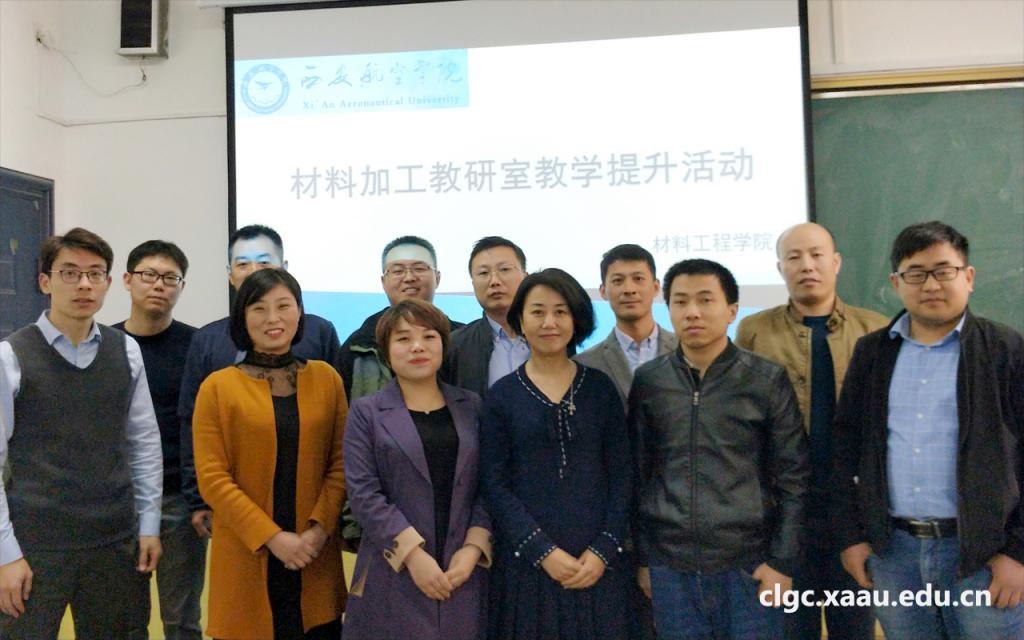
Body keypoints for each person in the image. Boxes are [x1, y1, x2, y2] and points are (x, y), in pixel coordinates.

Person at [832, 221, 1024, 639]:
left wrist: (1018, 553)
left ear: (968, 277)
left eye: (943, 271)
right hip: (893, 553)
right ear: (896, 283)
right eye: (916, 274)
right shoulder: (872, 353)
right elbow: (843, 450)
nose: (931, 285)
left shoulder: (1005, 349)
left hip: (984, 555)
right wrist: (851, 538)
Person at [629, 259, 808, 640]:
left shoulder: (765, 379)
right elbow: (640, 475)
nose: (692, 312)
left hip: (749, 565)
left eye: (705, 300)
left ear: (732, 310)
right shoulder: (649, 381)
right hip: (670, 566)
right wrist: (645, 558)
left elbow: (794, 477)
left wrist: (782, 562)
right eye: (680, 301)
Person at [0, 227, 162, 638]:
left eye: (95, 273)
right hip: (35, 544)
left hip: (113, 541)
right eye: (69, 273)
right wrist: (5, 555)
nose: (84, 284)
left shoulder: (125, 350)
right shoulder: (11, 356)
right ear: (45, 281)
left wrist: (149, 525)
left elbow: (144, 445)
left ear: (108, 282)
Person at [735, 223, 886, 640]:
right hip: (784, 518)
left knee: (854, 627)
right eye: (794, 257)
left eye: (817, 255)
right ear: (780, 268)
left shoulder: (875, 329)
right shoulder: (754, 330)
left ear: (836, 262)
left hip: (852, 517)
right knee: (788, 629)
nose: (807, 266)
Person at [193, 268, 346, 639]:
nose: (273, 318)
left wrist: (319, 530)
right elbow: (213, 478)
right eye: (259, 308)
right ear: (242, 318)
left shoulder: (327, 378)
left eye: (284, 306)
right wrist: (273, 538)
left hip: (313, 552)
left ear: (300, 312)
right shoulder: (218, 387)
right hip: (249, 550)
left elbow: (342, 463)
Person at [481, 268, 632, 640]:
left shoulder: (600, 388)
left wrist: (604, 549)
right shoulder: (501, 396)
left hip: (599, 565)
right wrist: (541, 551)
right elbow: (495, 485)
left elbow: (623, 474)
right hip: (528, 567)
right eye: (537, 312)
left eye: (561, 311)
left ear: (576, 319)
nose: (549, 322)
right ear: (520, 320)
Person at [178, 224, 339, 553]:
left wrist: (322, 524)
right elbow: (200, 444)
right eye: (243, 263)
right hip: (242, 529)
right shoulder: (213, 366)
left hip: (313, 531)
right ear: (230, 274)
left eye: (264, 262)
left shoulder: (324, 365)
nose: (272, 319)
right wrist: (199, 499)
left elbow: (340, 454)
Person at [343, 299, 492, 640]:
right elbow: (364, 495)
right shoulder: (367, 412)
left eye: (428, 336)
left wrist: (473, 549)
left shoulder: (472, 406)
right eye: (403, 338)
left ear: (443, 344)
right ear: (386, 350)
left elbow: (487, 486)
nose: (417, 346)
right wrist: (412, 555)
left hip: (462, 569)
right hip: (393, 568)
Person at [574, 244, 675, 640]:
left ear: (656, 286)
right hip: (616, 525)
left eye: (638, 279)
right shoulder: (585, 366)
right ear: (603, 291)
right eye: (618, 281)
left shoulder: (688, 351)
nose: (629, 288)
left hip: (679, 517)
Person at [113, 240, 203, 640]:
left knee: (182, 620)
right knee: (125, 619)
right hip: (121, 501)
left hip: (180, 500)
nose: (159, 285)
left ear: (182, 287)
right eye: (148, 275)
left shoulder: (198, 346)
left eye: (170, 278)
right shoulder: (107, 346)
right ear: (127, 280)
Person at [338, 235, 463, 404]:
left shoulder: (464, 339)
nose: (409, 277)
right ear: (383, 282)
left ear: (437, 277)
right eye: (398, 271)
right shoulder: (359, 346)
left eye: (419, 268)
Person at [443, 236, 530, 398]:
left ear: (526, 277)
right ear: (473, 284)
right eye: (483, 273)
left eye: (504, 269)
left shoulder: (552, 335)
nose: (494, 281)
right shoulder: (455, 346)